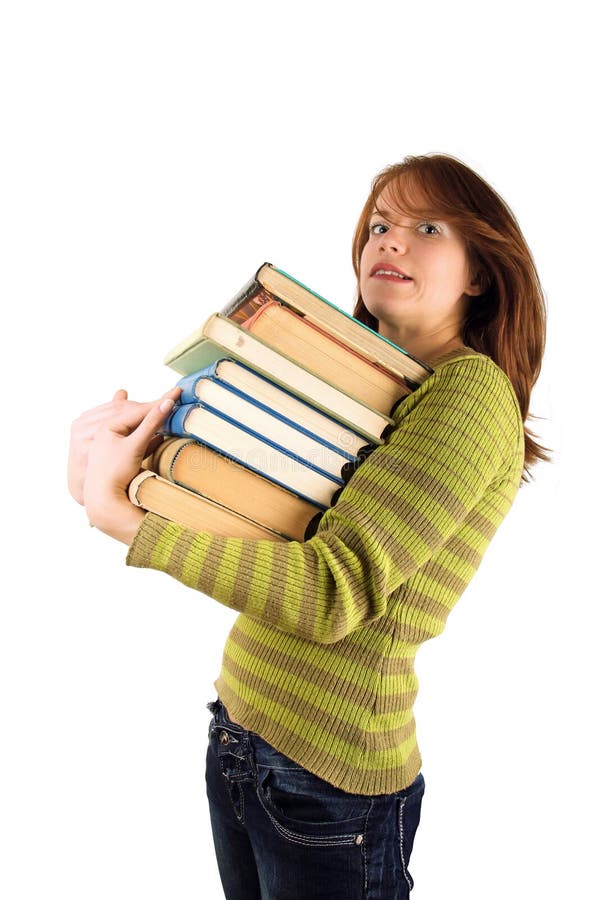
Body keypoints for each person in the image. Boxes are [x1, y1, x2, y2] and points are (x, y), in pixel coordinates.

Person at [68, 153, 547, 899]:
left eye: (427, 227)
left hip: (326, 782)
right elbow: (268, 539)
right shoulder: (373, 390)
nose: (390, 241)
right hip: (245, 736)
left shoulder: (470, 395)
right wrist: (134, 476)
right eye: (379, 224)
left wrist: (127, 523)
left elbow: (331, 592)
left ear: (481, 272)